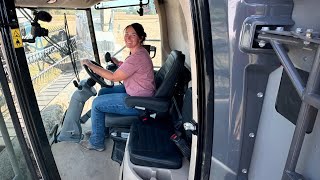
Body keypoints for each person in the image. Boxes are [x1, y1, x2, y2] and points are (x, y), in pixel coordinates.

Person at [80, 23, 156, 151]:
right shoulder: (139, 53)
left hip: (139, 102)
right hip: (138, 92)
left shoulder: (137, 57)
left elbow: (113, 77)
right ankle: (100, 131)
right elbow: (129, 68)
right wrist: (118, 62)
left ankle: (96, 143)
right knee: (103, 92)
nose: (128, 38)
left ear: (141, 38)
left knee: (97, 104)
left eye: (133, 35)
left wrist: (90, 64)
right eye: (126, 34)